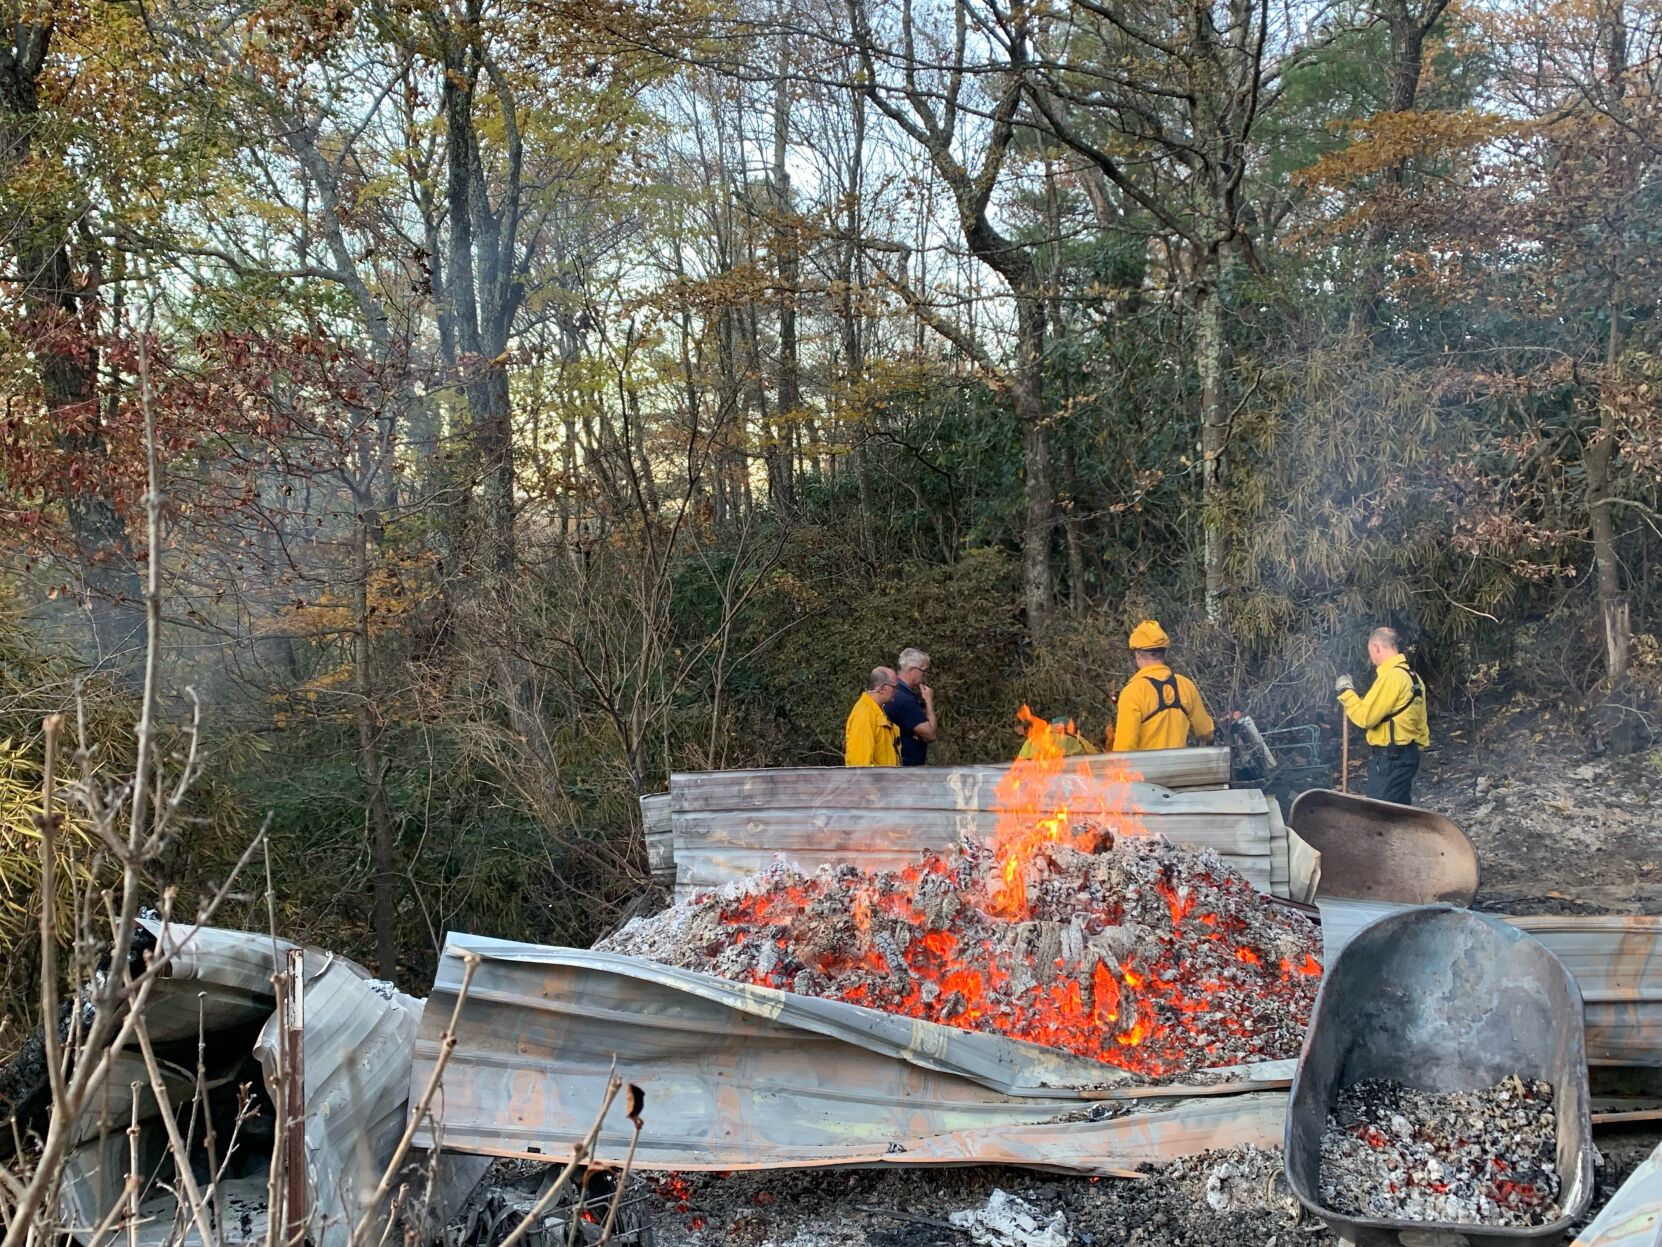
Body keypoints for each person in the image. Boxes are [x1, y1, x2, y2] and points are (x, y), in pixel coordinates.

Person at [1335, 626, 1428, 804]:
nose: (1371, 657)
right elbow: (1421, 725)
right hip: (1407, 756)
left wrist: (1346, 691)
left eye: (1370, 651)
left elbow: (1365, 717)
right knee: (1399, 813)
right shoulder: (1413, 677)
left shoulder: (1392, 678)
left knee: (1381, 817)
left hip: (1391, 760)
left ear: (1376, 647)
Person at [1111, 620, 1215, 752]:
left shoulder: (1133, 692)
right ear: (1165, 653)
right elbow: (1206, 731)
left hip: (1145, 772)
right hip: (1180, 769)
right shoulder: (1185, 685)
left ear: (1137, 654)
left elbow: (1124, 749)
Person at [886, 647, 939, 767]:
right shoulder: (904, 700)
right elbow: (930, 735)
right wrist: (929, 702)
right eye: (924, 671)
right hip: (906, 768)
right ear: (912, 670)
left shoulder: (896, 691)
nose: (925, 675)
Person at [844, 666, 901, 767]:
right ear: (883, 688)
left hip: (887, 780)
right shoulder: (864, 715)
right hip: (875, 782)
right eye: (894, 687)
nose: (896, 691)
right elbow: (859, 765)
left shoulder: (877, 711)